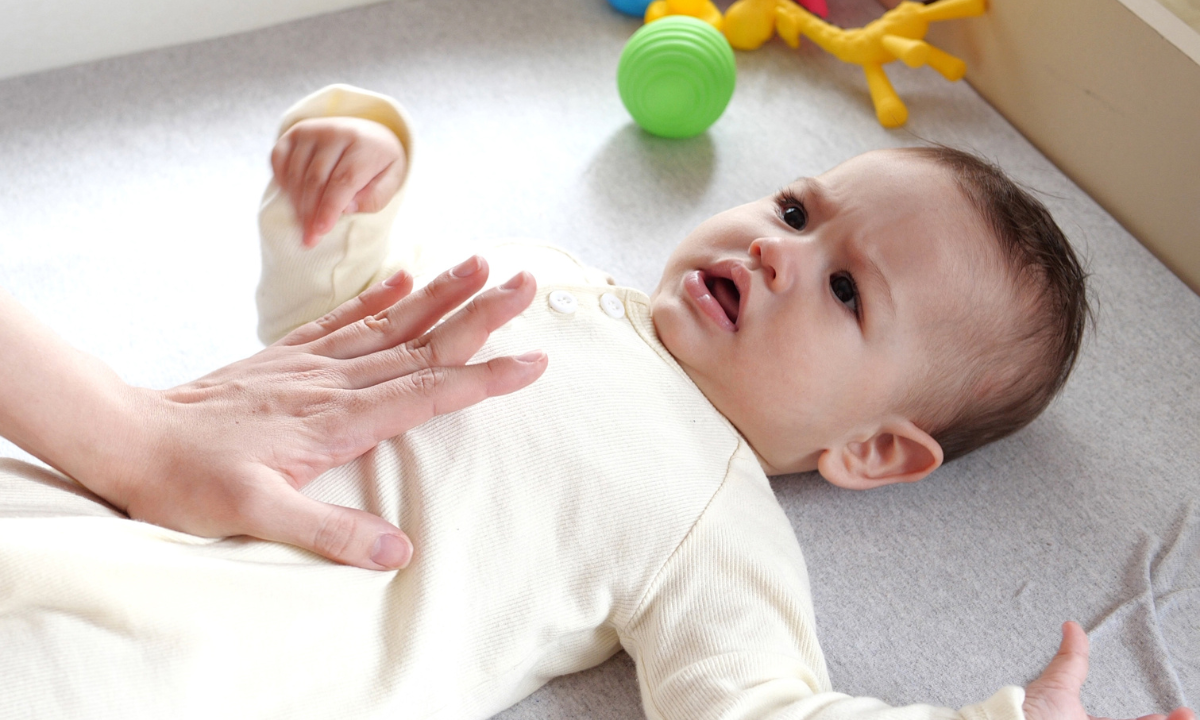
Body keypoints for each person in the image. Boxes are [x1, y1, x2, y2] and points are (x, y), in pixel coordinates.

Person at [0, 84, 1190, 720]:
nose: (779, 249)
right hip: (85, 476)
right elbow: (330, 345)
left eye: (844, 289)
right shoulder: (548, 273)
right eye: (795, 208)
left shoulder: (713, 515)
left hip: (205, 643)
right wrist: (348, 197)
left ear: (874, 449)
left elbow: (758, 710)